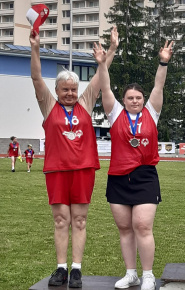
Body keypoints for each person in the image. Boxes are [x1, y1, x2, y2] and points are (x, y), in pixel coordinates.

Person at [29, 27, 118, 288]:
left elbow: (101, 77)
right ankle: (60, 268)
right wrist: (35, 49)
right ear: (56, 90)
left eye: (72, 89)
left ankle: (76, 269)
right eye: (65, 89)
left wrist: (110, 51)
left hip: (83, 170)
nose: (69, 93)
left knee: (79, 220)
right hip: (57, 171)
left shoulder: (86, 102)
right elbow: (36, 79)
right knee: (60, 220)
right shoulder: (48, 105)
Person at [93, 36, 173, 290]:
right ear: (124, 100)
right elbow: (105, 88)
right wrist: (102, 64)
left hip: (145, 176)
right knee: (125, 228)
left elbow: (158, 87)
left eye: (139, 97)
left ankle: (148, 274)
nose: (135, 101)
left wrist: (163, 62)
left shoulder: (152, 112)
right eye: (130, 97)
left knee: (142, 226)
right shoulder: (115, 113)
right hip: (118, 177)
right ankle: (131, 274)